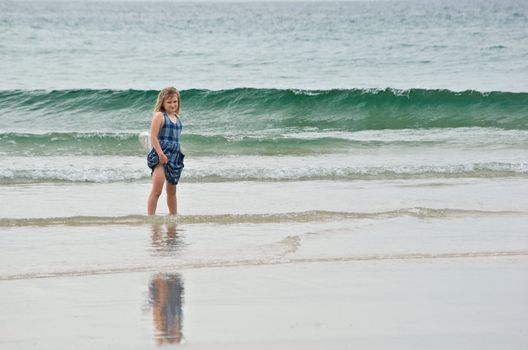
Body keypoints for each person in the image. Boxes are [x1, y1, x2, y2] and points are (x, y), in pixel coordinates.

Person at [147, 87, 185, 215]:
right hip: (161, 156)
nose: (172, 104)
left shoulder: (177, 118)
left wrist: (180, 151)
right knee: (157, 190)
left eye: (175, 101)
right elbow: (153, 136)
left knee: (172, 191)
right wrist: (161, 154)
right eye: (169, 102)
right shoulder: (159, 116)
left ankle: (173, 217)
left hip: (175, 157)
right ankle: (151, 218)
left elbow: (175, 138)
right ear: (162, 103)